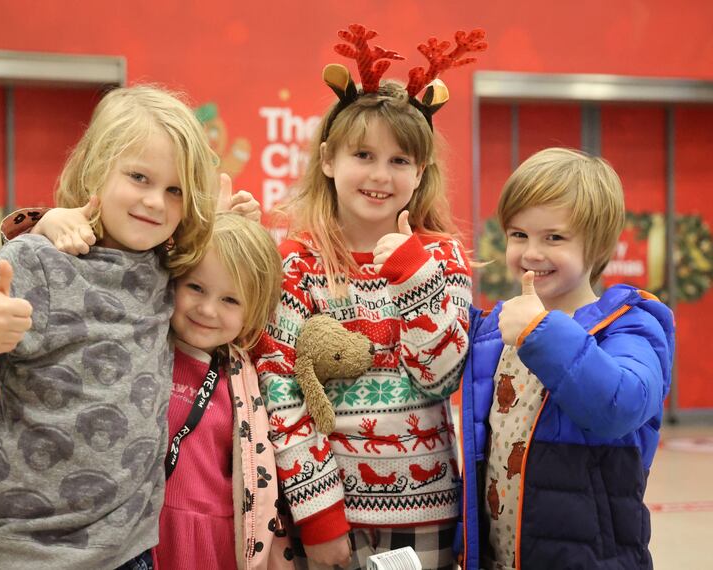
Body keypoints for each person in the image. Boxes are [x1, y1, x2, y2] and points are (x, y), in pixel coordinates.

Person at [0, 84, 218, 569]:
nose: (156, 202)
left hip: (127, 553)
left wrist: (232, 223)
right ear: (97, 168)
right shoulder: (38, 260)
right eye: (139, 177)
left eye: (175, 190)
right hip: (15, 553)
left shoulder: (168, 269)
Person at [254, 24, 484, 570]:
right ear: (328, 159)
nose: (381, 175)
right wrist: (320, 517)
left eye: (400, 161)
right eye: (363, 154)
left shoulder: (441, 258)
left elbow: (441, 377)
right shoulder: (297, 263)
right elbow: (280, 389)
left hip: (424, 513)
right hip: (324, 515)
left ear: (420, 172)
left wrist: (410, 273)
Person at [458, 148, 675, 570]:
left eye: (553, 238)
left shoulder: (629, 325)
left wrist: (539, 331)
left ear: (597, 246)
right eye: (519, 234)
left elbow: (621, 405)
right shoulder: (496, 329)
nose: (531, 252)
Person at [154, 212, 293, 569]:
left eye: (230, 300)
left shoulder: (247, 377)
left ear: (253, 312)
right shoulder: (146, 348)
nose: (207, 309)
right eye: (195, 287)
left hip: (213, 542)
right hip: (143, 529)